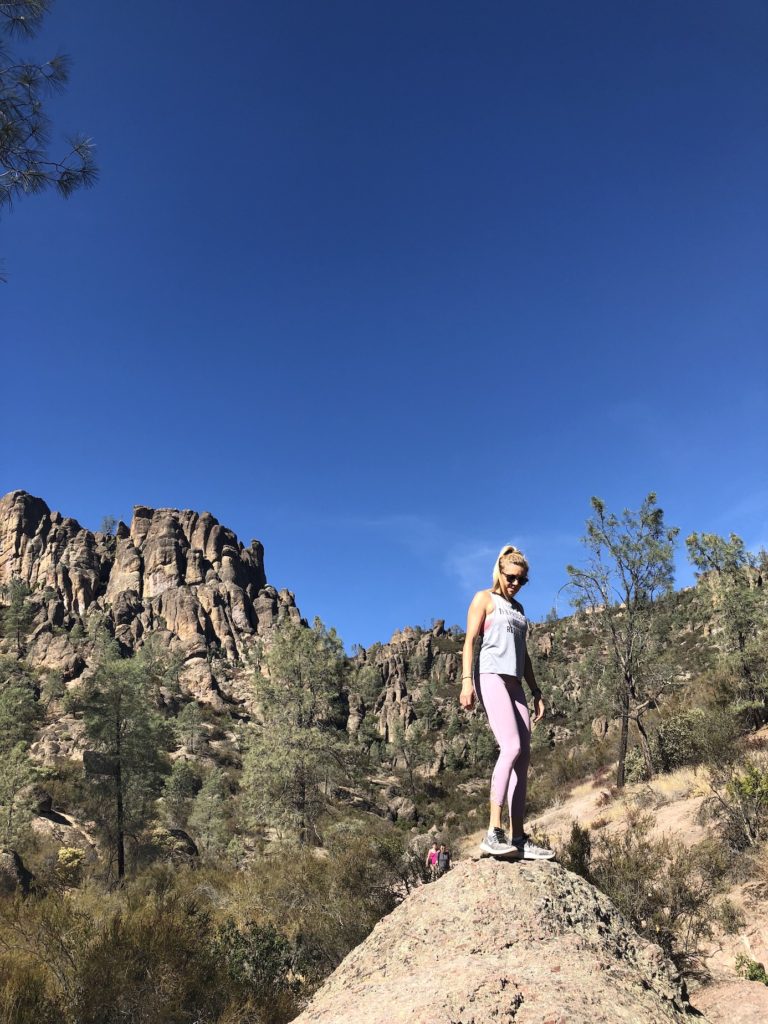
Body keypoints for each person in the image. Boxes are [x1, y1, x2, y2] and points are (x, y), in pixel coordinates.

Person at [460, 545, 554, 860]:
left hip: (515, 683)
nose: (515, 584)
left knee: (524, 756)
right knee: (511, 747)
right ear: (499, 571)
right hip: (491, 677)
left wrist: (536, 691)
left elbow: (524, 655)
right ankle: (493, 831)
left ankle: (519, 837)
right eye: (511, 577)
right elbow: (470, 640)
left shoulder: (519, 609)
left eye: (521, 580)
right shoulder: (483, 599)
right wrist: (466, 682)